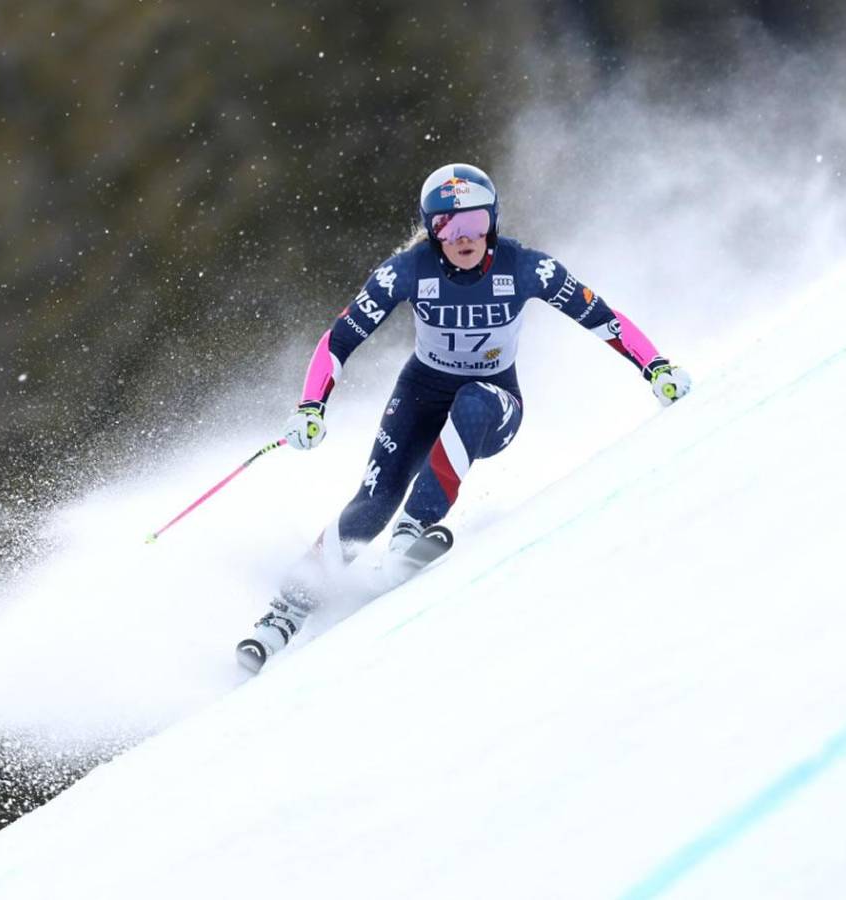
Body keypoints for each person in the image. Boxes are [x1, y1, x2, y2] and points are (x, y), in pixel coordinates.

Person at [236, 163, 691, 672]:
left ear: (493, 222)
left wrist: (656, 367)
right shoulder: (408, 270)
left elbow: (601, 316)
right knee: (372, 502)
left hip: (495, 403)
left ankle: (415, 527)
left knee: (474, 397)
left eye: (476, 223)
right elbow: (339, 339)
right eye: (449, 227)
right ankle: (282, 616)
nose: (464, 238)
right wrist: (311, 405)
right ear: (432, 231)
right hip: (421, 396)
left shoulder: (526, 268)